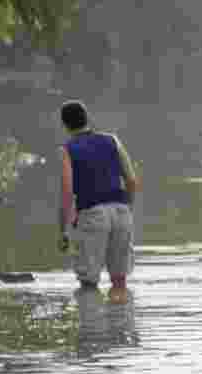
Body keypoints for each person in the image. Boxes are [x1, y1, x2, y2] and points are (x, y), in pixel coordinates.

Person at [57, 100, 140, 304]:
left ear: (64, 125)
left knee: (89, 283)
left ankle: (93, 332)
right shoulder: (112, 140)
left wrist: (63, 230)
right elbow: (131, 179)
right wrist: (129, 208)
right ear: (87, 118)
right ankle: (120, 328)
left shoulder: (68, 149)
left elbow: (67, 193)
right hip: (121, 211)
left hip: (92, 215)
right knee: (120, 282)